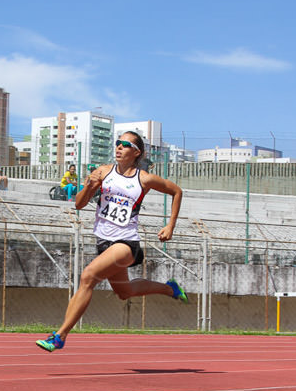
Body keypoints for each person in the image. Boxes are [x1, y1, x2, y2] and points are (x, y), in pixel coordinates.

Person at [36, 131, 188, 352]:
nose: (118, 147)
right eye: (117, 143)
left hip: (126, 244)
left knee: (88, 276)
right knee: (124, 292)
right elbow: (79, 204)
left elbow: (176, 191)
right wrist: (89, 186)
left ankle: (59, 336)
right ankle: (169, 288)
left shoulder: (143, 179)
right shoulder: (104, 172)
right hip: (104, 242)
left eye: (124, 145)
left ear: (136, 152)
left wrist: (170, 225)